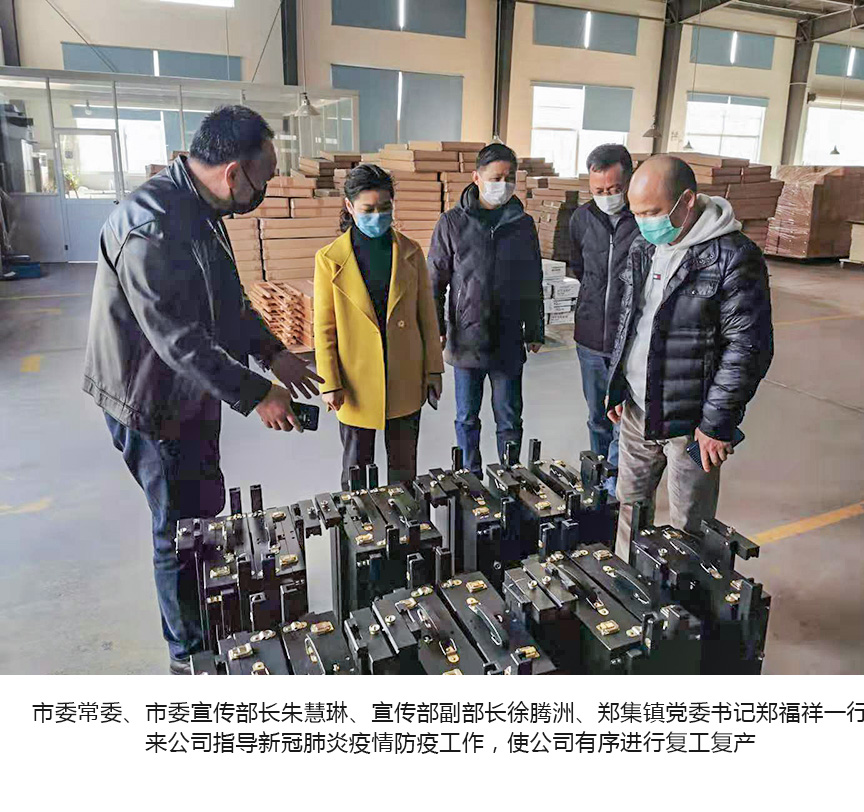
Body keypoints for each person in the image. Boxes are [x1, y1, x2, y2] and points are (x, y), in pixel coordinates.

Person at [83, 105, 323, 674]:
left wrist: (272, 352)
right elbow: (178, 340)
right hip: (149, 401)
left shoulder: (201, 208)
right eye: (264, 180)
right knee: (176, 529)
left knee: (203, 511)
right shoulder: (151, 227)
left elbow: (229, 301)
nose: (264, 191)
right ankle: (187, 657)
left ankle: (210, 617)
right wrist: (257, 393)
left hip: (191, 391)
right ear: (234, 173)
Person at [605, 154, 774, 561]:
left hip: (692, 422)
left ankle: (684, 595)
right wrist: (618, 384)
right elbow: (631, 321)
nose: (643, 222)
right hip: (638, 409)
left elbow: (748, 347)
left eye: (652, 212)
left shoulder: (733, 256)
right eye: (636, 213)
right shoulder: (644, 246)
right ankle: (625, 584)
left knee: (689, 526)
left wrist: (717, 423)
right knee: (629, 507)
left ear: (687, 201)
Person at [314, 164, 444, 490]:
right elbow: (324, 327)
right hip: (355, 379)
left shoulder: (410, 252)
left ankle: (405, 517)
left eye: (385, 208)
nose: (378, 216)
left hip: (404, 374)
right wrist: (329, 382)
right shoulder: (329, 259)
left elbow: (427, 317)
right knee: (356, 468)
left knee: (404, 467)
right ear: (349, 206)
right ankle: (359, 519)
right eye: (368, 209)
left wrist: (433, 370)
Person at [429, 143, 544, 477]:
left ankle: (511, 476)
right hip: (467, 338)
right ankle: (471, 477)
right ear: (476, 177)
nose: (503, 184)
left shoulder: (522, 224)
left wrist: (535, 328)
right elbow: (434, 281)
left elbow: (532, 279)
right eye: (496, 178)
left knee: (509, 417)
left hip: (508, 338)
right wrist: (437, 328)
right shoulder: (452, 223)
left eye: (509, 178)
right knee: (467, 417)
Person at [569, 144, 640, 497]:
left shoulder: (644, 219)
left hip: (631, 340)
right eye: (599, 190)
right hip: (590, 338)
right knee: (597, 415)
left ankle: (616, 486)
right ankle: (598, 479)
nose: (607, 196)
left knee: (624, 418)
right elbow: (578, 268)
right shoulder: (581, 219)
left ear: (630, 180)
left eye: (614, 189)